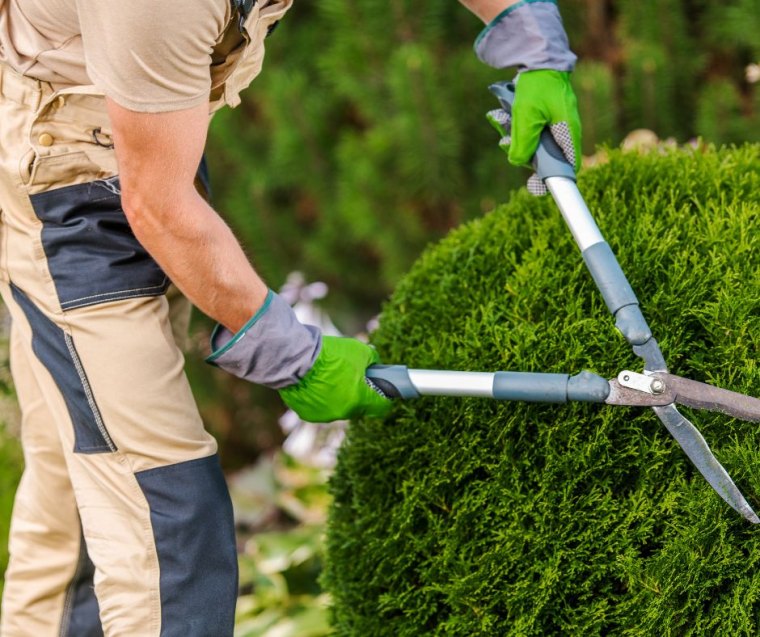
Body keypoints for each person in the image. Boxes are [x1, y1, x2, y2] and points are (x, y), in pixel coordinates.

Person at [0, 0, 580, 634]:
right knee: (163, 510)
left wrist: (531, 41)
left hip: (146, 135)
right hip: (63, 181)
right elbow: (159, 206)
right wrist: (294, 358)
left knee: (81, 474)